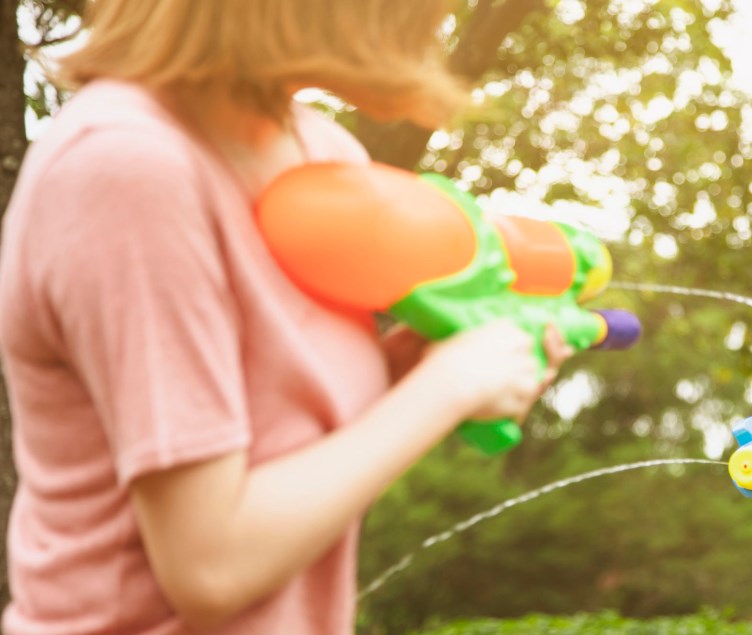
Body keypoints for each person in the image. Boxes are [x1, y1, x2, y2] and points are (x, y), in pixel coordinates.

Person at [0, 1, 572, 633]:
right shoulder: (127, 170)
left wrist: (415, 373)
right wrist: (449, 386)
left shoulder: (321, 153)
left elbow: (292, 443)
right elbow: (210, 566)